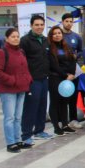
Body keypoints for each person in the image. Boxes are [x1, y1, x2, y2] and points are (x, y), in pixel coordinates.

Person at [0, 28, 32, 153]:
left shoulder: (21, 52)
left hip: (21, 88)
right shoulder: (2, 52)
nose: (16, 38)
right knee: (9, 117)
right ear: (7, 38)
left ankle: (17, 139)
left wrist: (28, 79)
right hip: (8, 90)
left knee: (18, 117)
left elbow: (25, 69)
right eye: (13, 36)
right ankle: (11, 143)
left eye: (17, 36)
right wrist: (12, 80)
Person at [20, 15, 53, 144]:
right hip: (32, 80)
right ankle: (26, 134)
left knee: (42, 105)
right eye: (37, 25)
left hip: (44, 78)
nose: (39, 27)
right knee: (30, 107)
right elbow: (22, 61)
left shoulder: (45, 40)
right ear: (31, 26)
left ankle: (39, 130)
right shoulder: (25, 40)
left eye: (41, 24)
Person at [47, 26, 77, 136]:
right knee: (55, 102)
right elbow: (53, 65)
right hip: (55, 78)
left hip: (67, 79)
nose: (57, 35)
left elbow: (72, 61)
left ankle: (65, 124)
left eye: (59, 33)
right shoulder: (49, 48)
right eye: (54, 34)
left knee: (65, 102)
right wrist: (65, 75)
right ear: (51, 36)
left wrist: (72, 74)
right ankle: (56, 126)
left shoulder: (66, 47)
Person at [60, 13, 83, 129]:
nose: (69, 23)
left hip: (74, 70)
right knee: (62, 96)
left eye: (71, 21)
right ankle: (62, 120)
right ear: (62, 22)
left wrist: (76, 55)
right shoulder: (58, 35)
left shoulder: (77, 37)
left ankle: (73, 119)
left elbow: (81, 51)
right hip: (61, 70)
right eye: (66, 21)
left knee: (73, 95)